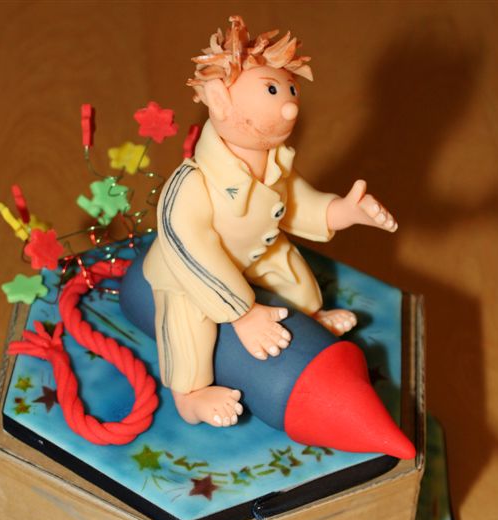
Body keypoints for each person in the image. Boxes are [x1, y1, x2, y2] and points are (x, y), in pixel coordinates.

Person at [143, 15, 397, 428]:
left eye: (289, 89)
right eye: (272, 90)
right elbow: (190, 248)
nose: (290, 105)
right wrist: (243, 314)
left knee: (294, 273)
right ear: (219, 100)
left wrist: (342, 211)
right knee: (187, 323)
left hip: (254, 253)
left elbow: (298, 203)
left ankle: (311, 317)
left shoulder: (276, 162)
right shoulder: (190, 185)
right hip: (189, 274)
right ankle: (189, 396)